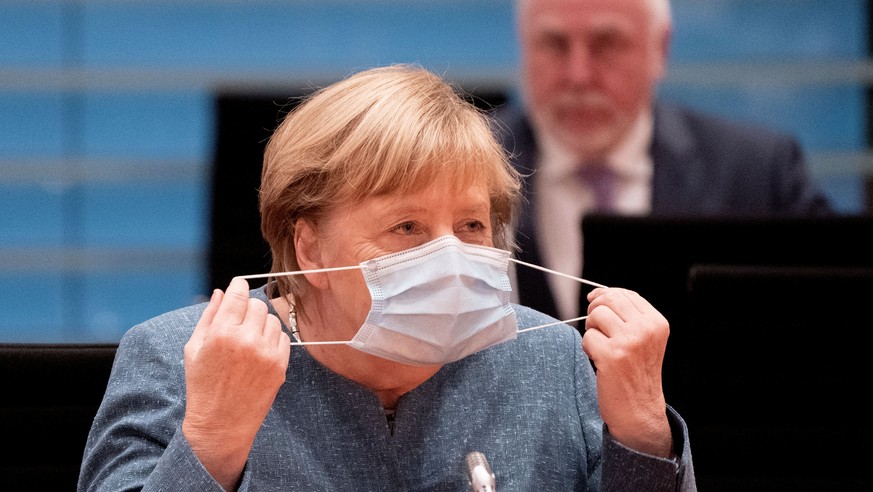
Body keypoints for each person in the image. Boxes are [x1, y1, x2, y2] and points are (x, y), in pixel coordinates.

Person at [78, 64, 696, 491]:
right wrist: (212, 440)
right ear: (310, 247)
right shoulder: (175, 359)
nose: (450, 256)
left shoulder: (554, 361)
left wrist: (643, 433)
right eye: (407, 227)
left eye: (472, 226)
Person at [494, 0, 835, 321]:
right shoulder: (464, 162)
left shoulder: (757, 173)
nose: (579, 75)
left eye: (607, 44)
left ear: (660, 47)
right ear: (524, 46)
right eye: (554, 44)